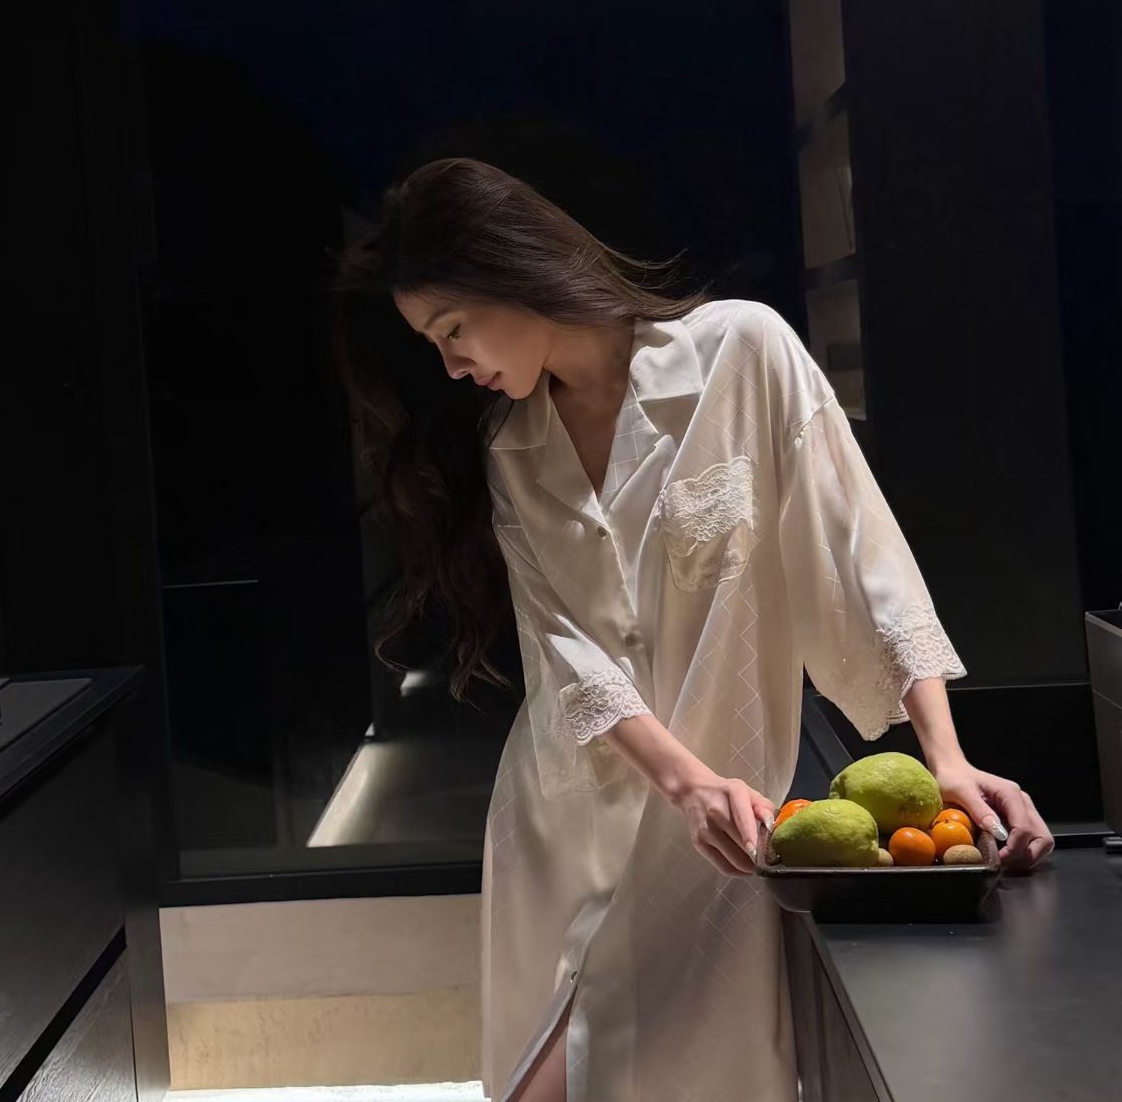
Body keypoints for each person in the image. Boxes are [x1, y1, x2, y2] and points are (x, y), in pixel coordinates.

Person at [335, 157, 1054, 1102]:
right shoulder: (515, 449)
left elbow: (861, 553)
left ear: (508, 268)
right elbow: (565, 653)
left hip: (712, 840)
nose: (452, 366)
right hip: (572, 814)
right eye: (435, 344)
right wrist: (686, 782)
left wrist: (944, 758)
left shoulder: (742, 354)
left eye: (453, 328)